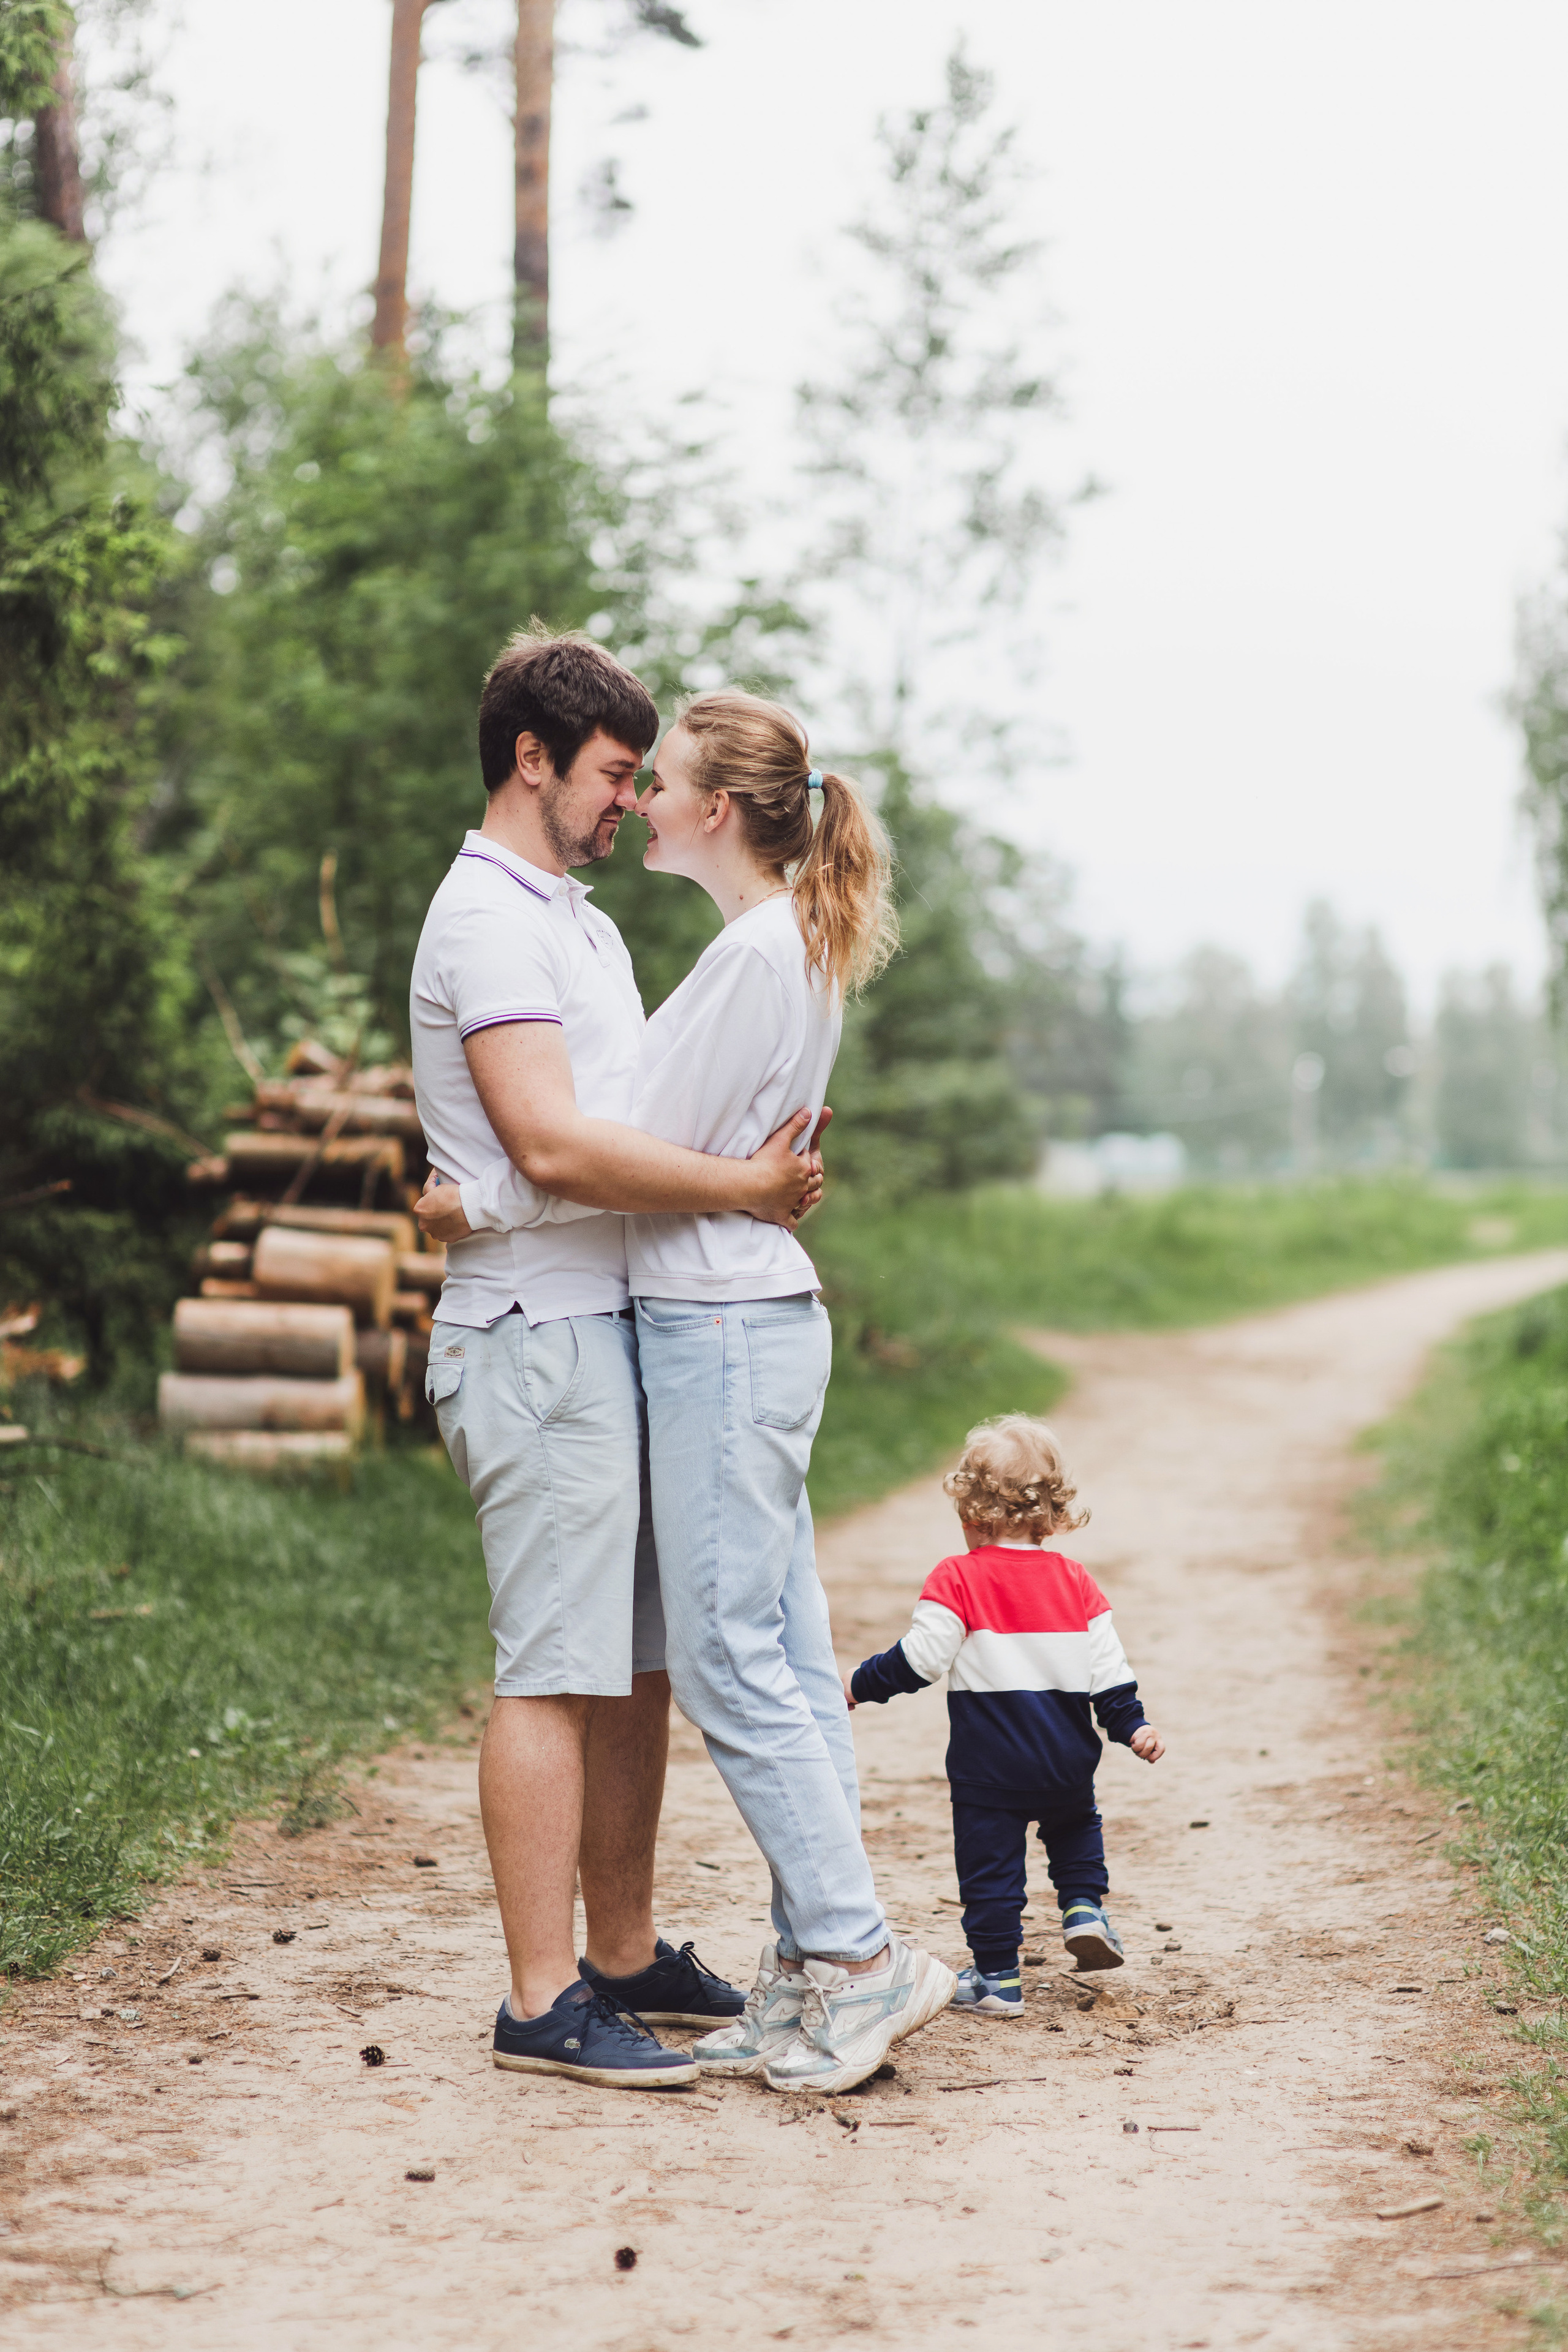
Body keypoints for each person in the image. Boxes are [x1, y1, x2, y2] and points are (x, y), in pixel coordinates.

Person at [424, 690, 956, 2095]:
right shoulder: (775, 939)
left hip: (718, 1323)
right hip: (723, 1314)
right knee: (772, 1648)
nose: (641, 800)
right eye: (626, 774)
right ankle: (812, 1962)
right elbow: (619, 1135)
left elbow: (607, 1142)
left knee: (729, 1660)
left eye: (656, 780)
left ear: (714, 807)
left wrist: (462, 1193)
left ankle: (851, 1957)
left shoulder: (746, 952)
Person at [847, 1414, 1164, 2016]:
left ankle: (997, 1979)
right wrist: (1132, 1726)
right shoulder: (1076, 1581)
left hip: (989, 1769)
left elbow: (920, 1661)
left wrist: (857, 1686)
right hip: (1067, 1760)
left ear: (973, 1514)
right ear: (1052, 1513)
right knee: (1074, 1828)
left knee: (990, 1869)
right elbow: (1109, 1672)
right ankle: (1082, 1908)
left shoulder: (957, 1577)